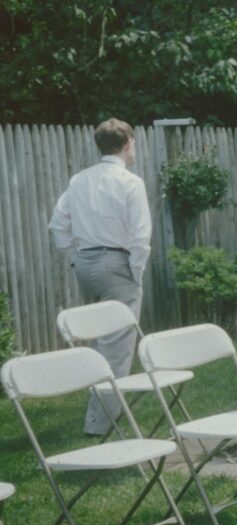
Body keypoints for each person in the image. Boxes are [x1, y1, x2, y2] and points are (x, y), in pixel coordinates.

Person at [49, 117, 152, 436]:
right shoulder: (130, 182)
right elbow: (140, 237)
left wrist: (75, 259)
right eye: (134, 143)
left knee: (99, 341)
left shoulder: (79, 179)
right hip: (116, 265)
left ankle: (100, 413)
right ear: (127, 144)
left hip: (86, 266)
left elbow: (58, 225)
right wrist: (135, 274)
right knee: (117, 347)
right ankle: (100, 424)